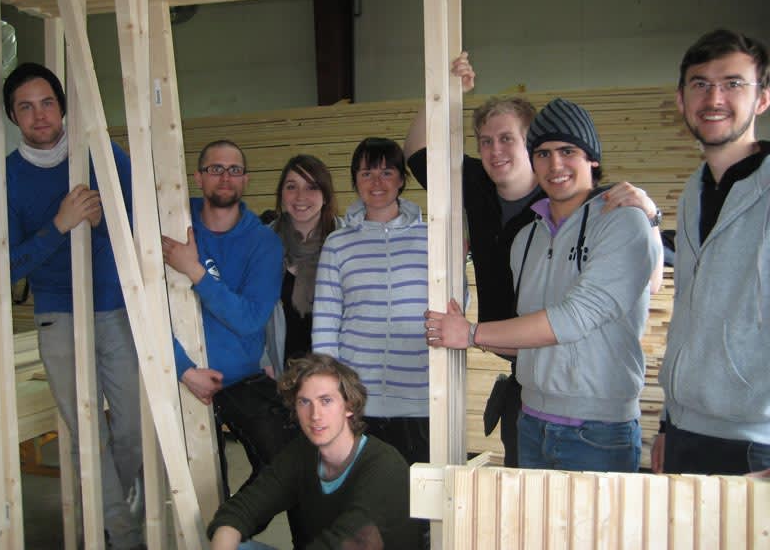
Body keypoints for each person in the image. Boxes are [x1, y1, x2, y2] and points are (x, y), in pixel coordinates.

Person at [404, 53, 664, 467]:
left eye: (507, 139)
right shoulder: (527, 229)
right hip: (529, 396)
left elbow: (605, 302)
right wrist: (445, 93)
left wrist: (651, 217)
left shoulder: (609, 213)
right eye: (485, 141)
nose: (555, 164)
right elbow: (417, 152)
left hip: (593, 420)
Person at [3, 63, 143, 549]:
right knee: (87, 434)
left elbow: (140, 228)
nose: (39, 115)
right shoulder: (9, 176)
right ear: (13, 117)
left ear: (62, 107)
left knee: (131, 427)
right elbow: (7, 265)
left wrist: (103, 223)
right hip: (56, 314)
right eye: (26, 107)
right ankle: (122, 535)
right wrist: (58, 226)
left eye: (47, 103)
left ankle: (108, 507)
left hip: (113, 305)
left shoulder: (101, 155)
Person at [653, 29, 770, 476]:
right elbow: (688, 314)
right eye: (700, 84)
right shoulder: (694, 192)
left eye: (733, 83)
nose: (714, 97)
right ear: (681, 100)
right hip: (686, 431)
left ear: (762, 99)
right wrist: (668, 422)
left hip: (754, 441)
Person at [161, 140, 292, 492]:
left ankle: (233, 523)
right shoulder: (171, 226)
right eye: (215, 169)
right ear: (198, 177)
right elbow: (146, 310)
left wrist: (195, 272)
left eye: (234, 170)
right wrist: (182, 369)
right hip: (180, 376)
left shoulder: (263, 243)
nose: (225, 177)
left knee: (287, 463)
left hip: (240, 378)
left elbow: (251, 319)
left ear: (245, 180)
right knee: (197, 487)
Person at [207, 353, 418, 550]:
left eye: (326, 401)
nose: (315, 415)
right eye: (304, 402)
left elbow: (347, 542)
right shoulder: (302, 452)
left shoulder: (385, 466)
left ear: (349, 406)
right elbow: (242, 509)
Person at [312, 138, 430, 466]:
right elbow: (325, 321)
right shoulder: (338, 244)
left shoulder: (431, 237)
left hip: (419, 399)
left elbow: (454, 304)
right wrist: (332, 393)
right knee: (363, 491)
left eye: (387, 172)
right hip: (358, 401)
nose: (377, 182)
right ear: (355, 181)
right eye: (366, 174)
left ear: (402, 179)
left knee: (416, 491)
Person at [263, 155, 341, 378]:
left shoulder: (347, 241)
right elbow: (250, 307)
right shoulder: (262, 243)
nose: (300, 196)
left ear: (325, 195)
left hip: (337, 371)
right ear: (281, 194)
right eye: (291, 187)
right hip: (280, 372)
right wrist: (263, 359)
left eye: (311, 187)